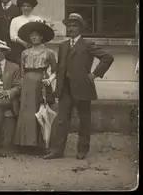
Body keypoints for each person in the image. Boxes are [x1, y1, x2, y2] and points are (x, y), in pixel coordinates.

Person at [45, 13, 114, 160]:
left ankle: (82, 150)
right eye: (69, 26)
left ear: (80, 28)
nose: (71, 29)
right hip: (65, 88)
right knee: (61, 119)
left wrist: (94, 74)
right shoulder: (63, 46)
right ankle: (56, 150)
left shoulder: (87, 44)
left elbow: (107, 57)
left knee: (84, 120)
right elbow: (60, 67)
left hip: (82, 88)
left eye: (74, 26)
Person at [14, 20, 57, 154]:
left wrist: (49, 80)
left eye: (36, 35)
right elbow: (21, 72)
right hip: (27, 83)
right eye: (31, 35)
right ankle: (24, 143)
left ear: (42, 37)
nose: (34, 37)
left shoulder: (49, 52)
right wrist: (21, 86)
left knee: (40, 110)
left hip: (41, 82)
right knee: (26, 111)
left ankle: (41, 144)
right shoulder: (25, 53)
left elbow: (56, 71)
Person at [8, 0, 42, 64]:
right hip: (19, 50)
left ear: (32, 7)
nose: (26, 8)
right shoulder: (15, 20)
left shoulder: (38, 19)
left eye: (28, 6)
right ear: (20, 7)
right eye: (24, 6)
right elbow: (12, 36)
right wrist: (23, 42)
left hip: (36, 50)